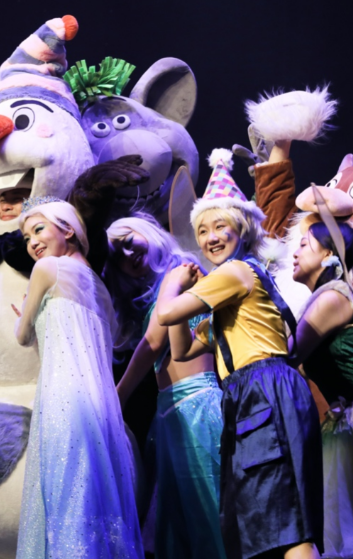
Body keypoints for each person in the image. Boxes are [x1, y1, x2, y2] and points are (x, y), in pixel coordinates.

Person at [155, 149, 323, 559]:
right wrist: (187, 292)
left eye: (220, 226)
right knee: (266, 524)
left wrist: (173, 282)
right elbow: (181, 348)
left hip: (263, 388)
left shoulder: (234, 273)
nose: (210, 237)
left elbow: (165, 313)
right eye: (202, 230)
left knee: (287, 524)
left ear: (242, 230)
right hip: (249, 394)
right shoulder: (227, 296)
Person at [12, 197, 143, 558]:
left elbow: (22, 336)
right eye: (27, 238)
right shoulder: (101, 288)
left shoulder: (48, 268)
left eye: (38, 229)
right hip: (102, 405)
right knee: (98, 501)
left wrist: (24, 314)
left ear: (68, 229)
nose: (32, 242)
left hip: (64, 398)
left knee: (68, 496)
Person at [106, 214, 225, 559]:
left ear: (148, 233)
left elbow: (154, 342)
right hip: (172, 410)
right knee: (182, 521)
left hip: (197, 406)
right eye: (117, 255)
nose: (127, 255)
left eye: (129, 242)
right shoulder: (162, 288)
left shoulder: (183, 273)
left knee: (207, 510)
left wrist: (117, 397)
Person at [290, 218, 353, 559]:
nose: (295, 253)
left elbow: (289, 354)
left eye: (304, 245)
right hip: (351, 419)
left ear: (327, 255)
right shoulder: (326, 297)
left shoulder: (333, 297)